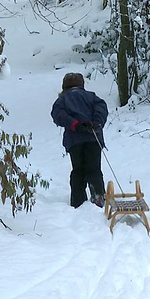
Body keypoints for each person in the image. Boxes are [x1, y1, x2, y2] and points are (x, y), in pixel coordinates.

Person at [51, 72, 108, 208]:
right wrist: (96, 123)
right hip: (93, 137)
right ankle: (99, 197)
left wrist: (75, 125)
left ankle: (78, 201)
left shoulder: (62, 100)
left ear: (64, 86)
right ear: (82, 84)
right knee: (94, 168)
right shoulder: (91, 97)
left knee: (78, 170)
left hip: (74, 140)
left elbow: (57, 115)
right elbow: (102, 108)